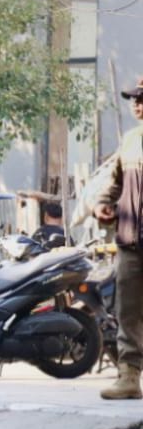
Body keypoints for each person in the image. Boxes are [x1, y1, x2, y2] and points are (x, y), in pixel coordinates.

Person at [97, 74, 143, 400]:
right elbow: (114, 181)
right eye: (134, 100)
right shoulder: (130, 140)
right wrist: (103, 204)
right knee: (128, 310)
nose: (137, 105)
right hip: (131, 239)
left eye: (142, 99)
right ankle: (129, 377)